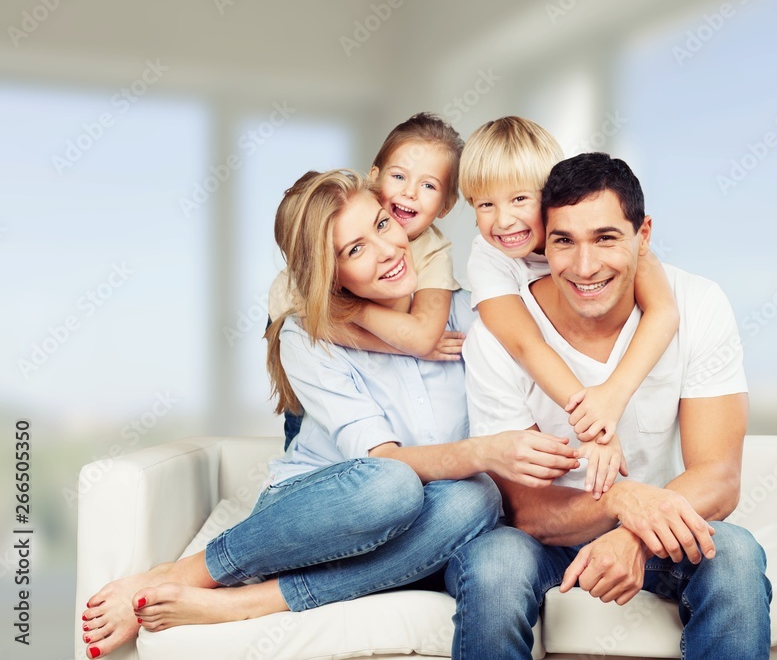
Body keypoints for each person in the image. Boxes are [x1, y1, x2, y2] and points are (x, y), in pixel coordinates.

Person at [80, 170, 581, 660]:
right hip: (323, 513)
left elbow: (568, 284)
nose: (386, 251)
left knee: (477, 498)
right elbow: (387, 461)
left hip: (434, 525)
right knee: (392, 484)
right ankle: (180, 574)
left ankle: (253, 602)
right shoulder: (308, 337)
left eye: (382, 225)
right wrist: (481, 451)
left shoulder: (472, 313)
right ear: (330, 272)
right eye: (354, 250)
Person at [447, 153, 772, 659]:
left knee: (733, 554)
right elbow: (527, 510)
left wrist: (635, 536)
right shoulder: (497, 336)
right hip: (548, 539)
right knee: (495, 562)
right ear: (542, 241)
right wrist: (619, 501)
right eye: (564, 241)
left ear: (643, 236)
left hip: (660, 528)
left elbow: (719, 477)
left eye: (605, 238)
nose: (584, 266)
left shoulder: (699, 303)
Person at [459, 116, 680, 497]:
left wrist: (613, 395)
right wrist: (594, 425)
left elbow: (664, 312)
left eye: (519, 199)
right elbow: (526, 344)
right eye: (485, 204)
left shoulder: (601, 232)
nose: (503, 219)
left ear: (549, 197)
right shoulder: (488, 258)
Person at [270, 113, 468, 449]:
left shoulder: (433, 251)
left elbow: (421, 338)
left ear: (446, 206)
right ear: (374, 179)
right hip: (316, 389)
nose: (409, 193)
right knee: (309, 436)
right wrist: (364, 316)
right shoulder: (319, 250)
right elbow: (305, 324)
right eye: (399, 176)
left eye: (429, 185)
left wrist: (353, 312)